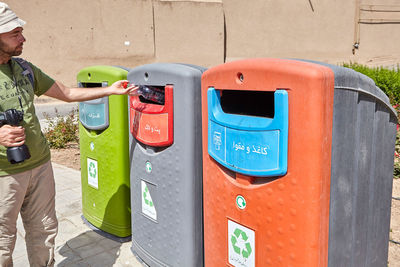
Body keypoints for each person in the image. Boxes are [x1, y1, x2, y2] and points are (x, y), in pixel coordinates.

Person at [0, 3, 137, 266]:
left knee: (44, 230)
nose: (23, 38)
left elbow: (67, 93)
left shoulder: (25, 68)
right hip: (5, 174)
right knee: (3, 240)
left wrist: (111, 91)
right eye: (14, 33)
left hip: (39, 166)